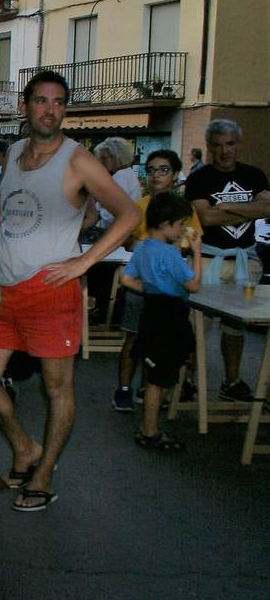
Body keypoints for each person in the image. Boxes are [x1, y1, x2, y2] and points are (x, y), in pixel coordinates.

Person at [0, 70, 139, 511]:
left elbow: (127, 213)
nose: (50, 110)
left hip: (52, 291)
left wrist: (84, 262)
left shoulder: (78, 159)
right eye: (41, 101)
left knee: (57, 389)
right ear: (25, 106)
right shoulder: (13, 153)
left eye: (58, 102)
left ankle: (45, 470)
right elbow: (2, 211)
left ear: (64, 109)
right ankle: (24, 445)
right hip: (4, 289)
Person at [182, 119, 270, 402]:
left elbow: (268, 207)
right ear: (209, 147)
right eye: (217, 145)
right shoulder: (199, 178)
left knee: (237, 326)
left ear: (237, 145)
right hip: (208, 259)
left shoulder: (254, 175)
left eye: (230, 144)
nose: (224, 151)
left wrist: (228, 206)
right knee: (198, 325)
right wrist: (251, 210)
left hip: (245, 259)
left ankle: (231, 381)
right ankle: (188, 380)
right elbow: (205, 217)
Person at [112, 149, 201, 412]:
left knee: (160, 344)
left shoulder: (185, 209)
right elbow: (124, 239)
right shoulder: (138, 207)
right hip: (143, 286)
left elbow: (190, 238)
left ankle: (150, 388)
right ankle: (125, 388)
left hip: (168, 286)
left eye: (162, 170)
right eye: (150, 170)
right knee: (134, 339)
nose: (155, 176)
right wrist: (140, 244)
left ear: (175, 175)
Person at [120, 192, 202, 452]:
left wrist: (151, 287)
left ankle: (149, 426)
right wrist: (197, 254)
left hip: (152, 311)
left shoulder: (143, 247)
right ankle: (150, 430)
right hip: (172, 315)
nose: (182, 231)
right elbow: (194, 285)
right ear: (166, 224)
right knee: (162, 376)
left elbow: (126, 279)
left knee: (155, 370)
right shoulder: (169, 253)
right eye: (180, 225)